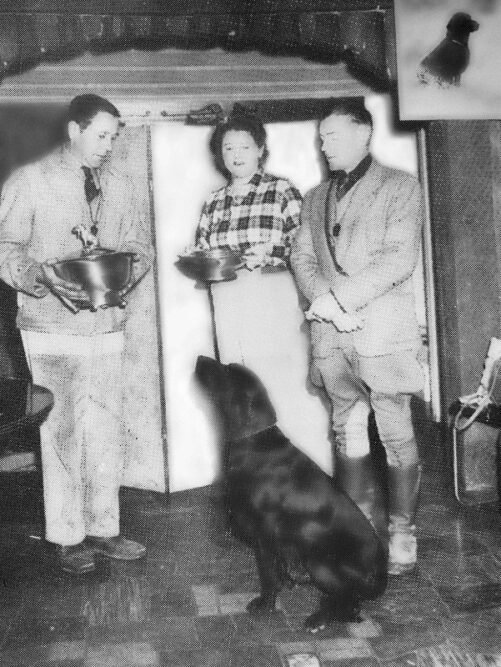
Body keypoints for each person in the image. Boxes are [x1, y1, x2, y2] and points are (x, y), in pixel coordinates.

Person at [0, 94, 152, 574]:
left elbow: (138, 247)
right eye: (101, 135)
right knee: (61, 432)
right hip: (51, 327)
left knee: (106, 428)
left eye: (114, 137)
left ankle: (105, 528)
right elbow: (5, 249)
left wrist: (125, 277)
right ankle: (67, 537)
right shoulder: (31, 181)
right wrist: (40, 275)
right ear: (74, 131)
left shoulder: (122, 186)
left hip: (106, 325)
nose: (109, 146)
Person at [290, 98, 424, 575]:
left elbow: (397, 258)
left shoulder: (401, 187)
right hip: (332, 336)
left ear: (364, 134)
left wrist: (341, 300)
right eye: (322, 136)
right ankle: (357, 527)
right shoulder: (314, 197)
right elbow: (301, 258)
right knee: (346, 429)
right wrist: (326, 304)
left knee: (394, 431)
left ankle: (403, 532)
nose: (323, 144)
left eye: (333, 135)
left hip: (381, 334)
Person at [194, 107, 333, 473]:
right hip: (226, 299)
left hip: (272, 295)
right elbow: (204, 251)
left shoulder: (281, 190)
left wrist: (268, 254)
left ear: (259, 150)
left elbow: (307, 247)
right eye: (228, 149)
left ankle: (311, 473)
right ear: (220, 156)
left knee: (284, 385)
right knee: (240, 386)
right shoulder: (213, 201)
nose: (236, 155)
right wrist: (201, 260)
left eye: (243, 147)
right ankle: (259, 479)